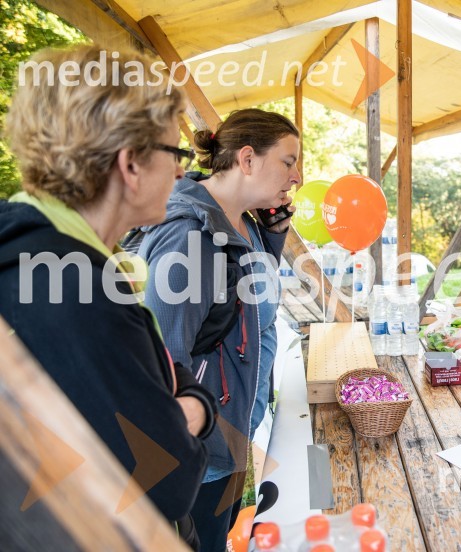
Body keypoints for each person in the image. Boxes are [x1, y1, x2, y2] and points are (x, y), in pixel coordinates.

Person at [0, 45, 216, 545]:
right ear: (131, 164)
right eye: (174, 152)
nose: (182, 171)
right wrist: (191, 410)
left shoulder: (38, 254)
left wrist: (182, 404)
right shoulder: (74, 287)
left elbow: (160, 373)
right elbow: (169, 476)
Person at [138, 108, 299, 551]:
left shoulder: (245, 221)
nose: (297, 176)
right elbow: (164, 361)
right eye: (288, 161)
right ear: (247, 159)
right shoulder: (188, 238)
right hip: (198, 453)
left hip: (233, 430)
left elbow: (254, 309)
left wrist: (274, 238)